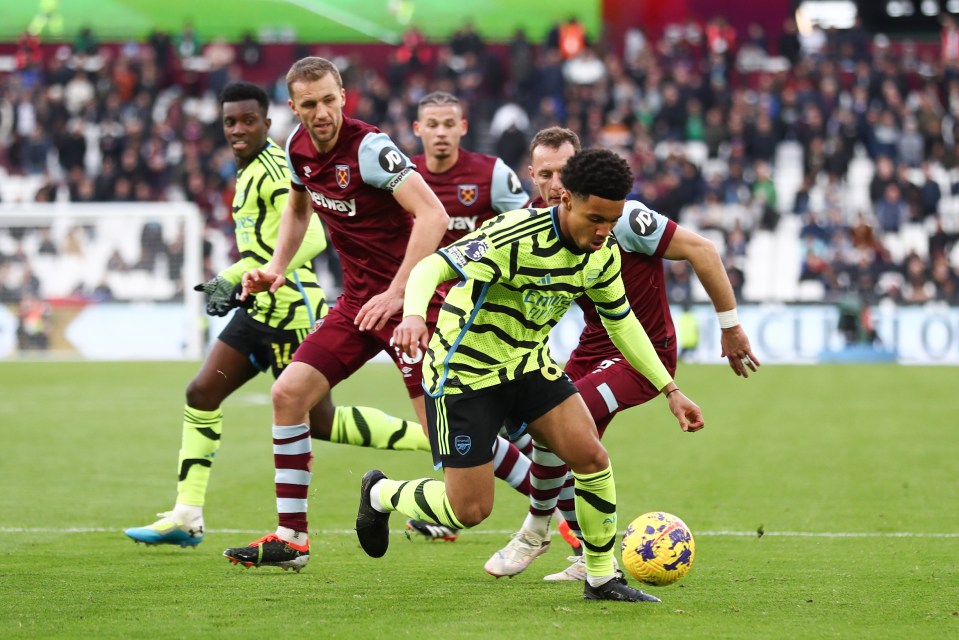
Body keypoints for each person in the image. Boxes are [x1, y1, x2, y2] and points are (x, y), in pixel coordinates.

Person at [355, 148, 705, 603]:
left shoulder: (603, 252)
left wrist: (671, 390)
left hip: (526, 365)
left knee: (591, 457)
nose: (603, 231)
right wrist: (415, 316)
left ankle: (600, 576)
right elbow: (431, 266)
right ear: (565, 199)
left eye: (612, 220)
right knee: (469, 510)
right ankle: (381, 492)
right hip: (465, 373)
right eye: (595, 218)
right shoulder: (513, 234)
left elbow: (622, 322)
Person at [485, 127, 758, 581]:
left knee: (555, 428)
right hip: (592, 345)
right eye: (546, 174)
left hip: (641, 353)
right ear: (532, 176)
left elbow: (703, 250)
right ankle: (590, 557)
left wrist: (729, 326)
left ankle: (535, 531)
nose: (556, 184)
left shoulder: (624, 219)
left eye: (564, 172)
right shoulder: (535, 225)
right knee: (573, 447)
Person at [221, 57, 449, 571]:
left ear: (343, 94)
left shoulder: (370, 149)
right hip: (357, 303)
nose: (321, 112)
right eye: (309, 104)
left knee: (448, 446)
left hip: (411, 304)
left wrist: (398, 293)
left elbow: (432, 214)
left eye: (328, 99)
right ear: (293, 107)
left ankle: (550, 513)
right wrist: (276, 268)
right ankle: (291, 539)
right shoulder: (296, 151)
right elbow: (299, 209)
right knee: (288, 393)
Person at [124, 81, 330, 547]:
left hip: (293, 311)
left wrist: (257, 273)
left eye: (248, 121)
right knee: (201, 392)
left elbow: (313, 237)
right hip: (259, 309)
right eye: (230, 122)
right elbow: (260, 249)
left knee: (321, 422)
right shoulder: (247, 169)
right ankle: (186, 514)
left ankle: (431, 439)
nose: (238, 129)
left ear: (267, 123)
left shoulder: (276, 168)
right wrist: (229, 279)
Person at [404, 90, 534, 540]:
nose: (441, 133)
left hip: (482, 320)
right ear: (418, 130)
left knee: (512, 422)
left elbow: (529, 229)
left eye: (449, 124)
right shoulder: (404, 177)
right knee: (443, 427)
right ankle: (557, 508)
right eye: (432, 125)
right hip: (420, 320)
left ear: (463, 126)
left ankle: (556, 507)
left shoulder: (491, 175)